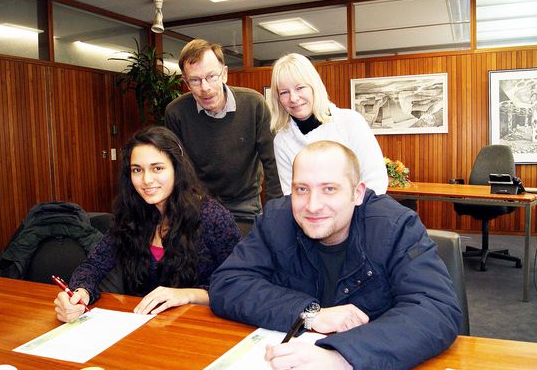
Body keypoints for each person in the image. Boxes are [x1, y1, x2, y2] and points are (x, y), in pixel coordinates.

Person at [209, 141, 461, 370]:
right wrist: (310, 313)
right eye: (301, 189)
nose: (313, 205)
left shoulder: (395, 227)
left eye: (329, 189)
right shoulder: (276, 220)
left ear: (357, 193)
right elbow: (228, 284)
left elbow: (435, 308)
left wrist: (341, 356)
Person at [54, 126, 241, 322]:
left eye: (157, 168)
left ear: (177, 169)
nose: (146, 180)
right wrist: (80, 293)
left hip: (202, 331)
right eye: (137, 170)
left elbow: (240, 283)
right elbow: (93, 265)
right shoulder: (130, 215)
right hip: (143, 330)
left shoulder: (212, 216)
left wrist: (187, 294)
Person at [165, 39, 282, 227]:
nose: (205, 87)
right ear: (186, 83)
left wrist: (275, 214)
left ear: (224, 74)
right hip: (199, 203)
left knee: (244, 254)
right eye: (195, 80)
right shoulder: (176, 113)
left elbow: (273, 163)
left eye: (211, 76)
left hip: (244, 203)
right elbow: (176, 167)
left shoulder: (254, 104)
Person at [269, 53, 388, 195]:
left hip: (359, 212)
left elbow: (375, 181)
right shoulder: (282, 141)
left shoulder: (351, 122)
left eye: (300, 88)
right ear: (277, 98)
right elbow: (291, 193)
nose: (293, 98)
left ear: (314, 87)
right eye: (284, 92)